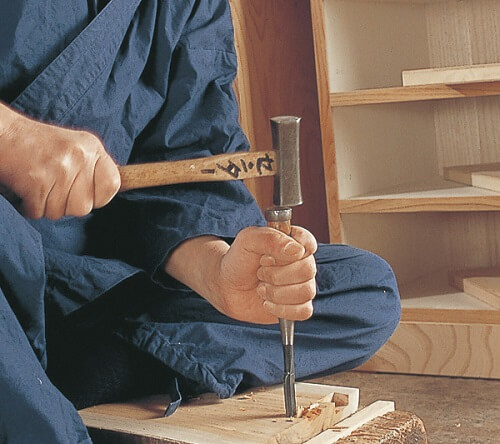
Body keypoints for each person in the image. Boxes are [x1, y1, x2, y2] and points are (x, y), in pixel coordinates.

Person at [0, 1, 401, 442]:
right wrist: (10, 137)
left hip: (86, 282)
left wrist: (218, 274)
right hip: (8, 263)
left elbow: (182, 154)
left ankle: (35, 380)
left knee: (366, 290)